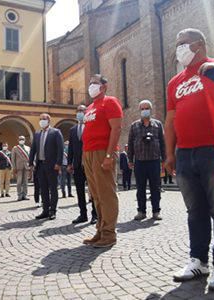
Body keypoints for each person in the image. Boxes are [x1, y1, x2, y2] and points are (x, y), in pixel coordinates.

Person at [165, 28, 214, 290]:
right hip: (185, 153)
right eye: (177, 44)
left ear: (199, 44)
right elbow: (171, 120)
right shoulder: (175, 82)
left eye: (182, 43)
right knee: (195, 211)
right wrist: (169, 152)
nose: (178, 49)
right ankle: (198, 261)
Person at [81, 74, 123, 248]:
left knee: (106, 194)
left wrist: (108, 155)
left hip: (102, 152)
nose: (91, 86)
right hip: (89, 153)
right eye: (90, 83)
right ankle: (100, 229)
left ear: (104, 86)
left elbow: (116, 128)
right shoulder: (90, 107)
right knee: (96, 195)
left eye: (95, 83)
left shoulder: (110, 102)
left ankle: (109, 234)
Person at [128, 99, 166, 221]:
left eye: (146, 108)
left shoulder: (157, 125)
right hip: (139, 161)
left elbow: (163, 143)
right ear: (140, 110)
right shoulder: (134, 126)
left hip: (154, 161)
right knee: (140, 188)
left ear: (150, 109)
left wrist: (165, 159)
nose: (144, 110)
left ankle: (156, 211)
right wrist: (130, 159)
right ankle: (141, 211)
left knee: (156, 188)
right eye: (142, 109)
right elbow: (130, 143)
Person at [29, 113, 64, 220]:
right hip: (40, 165)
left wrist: (58, 163)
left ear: (49, 120)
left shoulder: (56, 132)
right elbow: (33, 149)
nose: (41, 121)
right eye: (40, 119)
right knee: (43, 189)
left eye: (44, 119)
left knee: (53, 189)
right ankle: (45, 210)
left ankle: (52, 210)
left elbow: (60, 149)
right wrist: (31, 163)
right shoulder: (37, 134)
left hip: (52, 166)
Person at [67, 105, 97, 224]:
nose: (80, 113)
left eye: (82, 111)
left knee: (94, 190)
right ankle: (82, 214)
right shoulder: (73, 130)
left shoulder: (91, 125)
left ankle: (95, 214)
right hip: (77, 165)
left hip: (90, 163)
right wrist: (69, 163)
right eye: (78, 111)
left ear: (87, 112)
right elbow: (71, 148)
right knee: (79, 191)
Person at [11, 136, 30, 201]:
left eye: (23, 139)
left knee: (25, 182)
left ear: (25, 140)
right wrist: (14, 167)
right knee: (19, 182)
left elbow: (29, 157)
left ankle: (25, 195)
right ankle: (19, 195)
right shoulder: (15, 148)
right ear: (18, 140)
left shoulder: (28, 148)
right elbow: (13, 159)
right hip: (18, 167)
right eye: (20, 139)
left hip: (26, 167)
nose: (22, 140)